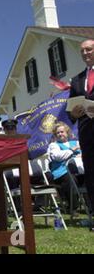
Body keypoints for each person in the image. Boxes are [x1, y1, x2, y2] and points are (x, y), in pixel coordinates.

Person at [69, 39, 94, 231]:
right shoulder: (76, 80)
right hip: (87, 133)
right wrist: (74, 113)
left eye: (89, 49)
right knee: (91, 174)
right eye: (82, 50)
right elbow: (70, 110)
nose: (85, 53)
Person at [48, 122, 83, 211]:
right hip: (61, 173)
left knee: (88, 178)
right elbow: (58, 157)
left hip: (79, 170)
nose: (60, 134)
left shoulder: (76, 142)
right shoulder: (54, 145)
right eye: (57, 133)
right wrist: (72, 151)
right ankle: (73, 207)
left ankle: (90, 207)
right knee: (71, 179)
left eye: (62, 132)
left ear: (67, 132)